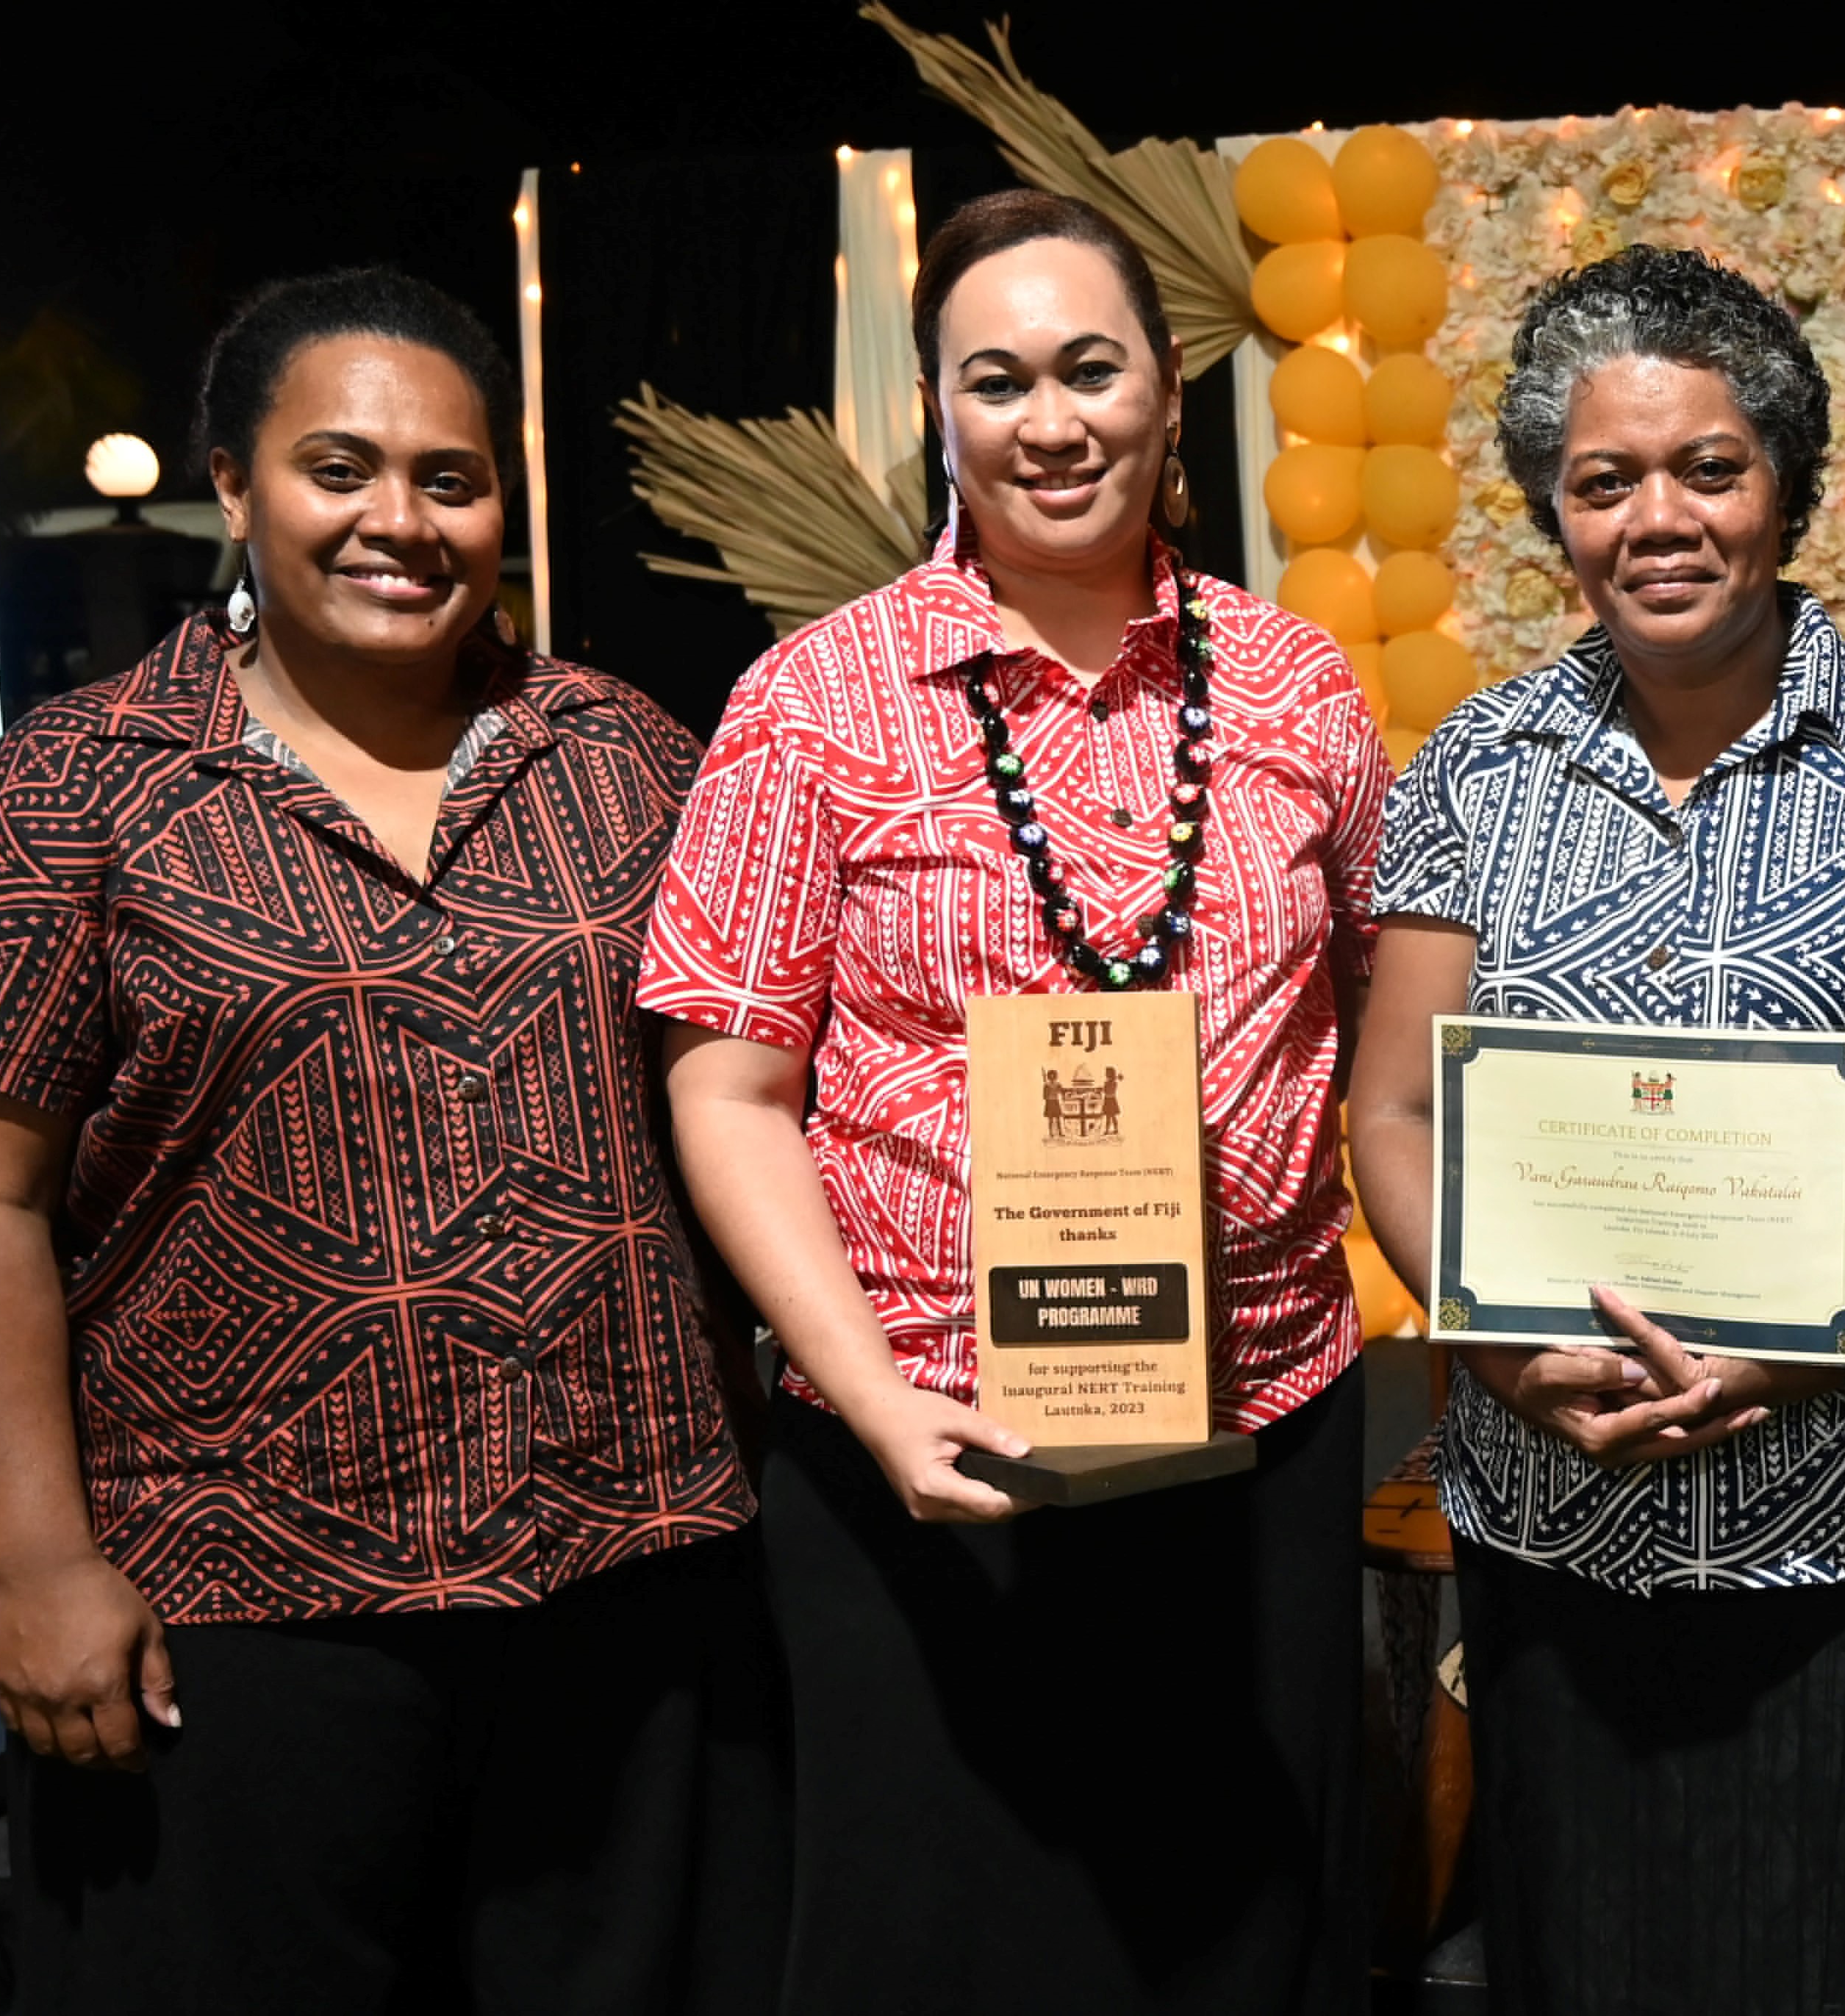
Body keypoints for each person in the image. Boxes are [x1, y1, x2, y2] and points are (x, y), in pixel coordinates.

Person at [0, 268, 778, 2013]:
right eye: (340, 468)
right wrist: (35, 1566)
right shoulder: (66, 790)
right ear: (237, 487)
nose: (399, 520)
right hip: (241, 1614)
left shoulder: (625, 755)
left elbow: (751, 1101)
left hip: (631, 1585)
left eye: (449, 480)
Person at [640, 189, 1384, 2015]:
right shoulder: (813, 700)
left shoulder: (1294, 686)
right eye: (997, 379)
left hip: (1253, 1439)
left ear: (1167, 393)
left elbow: (1375, 1019)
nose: (1050, 419)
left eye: (1090, 368)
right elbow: (727, 1086)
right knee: (937, 1949)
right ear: (943, 420)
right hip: (923, 1459)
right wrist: (882, 1406)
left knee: (1232, 1941)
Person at [1347, 245, 1845, 2015]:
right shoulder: (1474, 767)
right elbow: (1388, 1104)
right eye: (1603, 482)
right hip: (1560, 1512)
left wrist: (1834, 1336)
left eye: (1709, 466)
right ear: (1555, 508)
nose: (1658, 518)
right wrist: (1504, 1344)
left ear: (1786, 481)